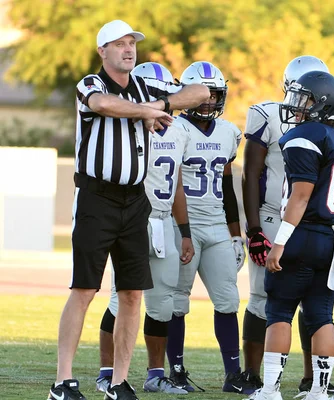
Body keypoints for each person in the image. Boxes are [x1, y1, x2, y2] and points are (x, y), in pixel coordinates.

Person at [48, 20, 208, 400]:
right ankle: (62, 381)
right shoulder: (91, 83)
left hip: (136, 200)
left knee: (133, 293)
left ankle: (119, 381)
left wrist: (158, 105)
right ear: (102, 50)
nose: (128, 49)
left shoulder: (145, 86)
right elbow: (102, 105)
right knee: (85, 289)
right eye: (118, 44)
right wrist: (144, 112)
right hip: (96, 198)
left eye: (131, 43)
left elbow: (200, 92)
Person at [251, 70, 334, 400]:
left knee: (280, 311)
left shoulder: (304, 136)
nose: (296, 105)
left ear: (320, 104)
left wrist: (280, 242)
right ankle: (320, 390)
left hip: (303, 233)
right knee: (321, 315)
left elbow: (300, 195)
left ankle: (270, 389)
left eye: (304, 99)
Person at [94, 62, 193, 396]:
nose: (166, 100)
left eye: (168, 95)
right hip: (131, 218)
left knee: (162, 304)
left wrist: (185, 231)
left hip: (164, 220)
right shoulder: (126, 125)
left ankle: (155, 373)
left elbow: (177, 182)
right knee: (119, 301)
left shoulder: (180, 130)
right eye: (160, 94)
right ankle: (107, 373)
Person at [241, 55, 333, 393]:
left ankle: (312, 378)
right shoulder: (269, 115)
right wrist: (253, 229)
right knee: (261, 298)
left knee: (315, 304)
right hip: (272, 215)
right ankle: (252, 374)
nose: (302, 101)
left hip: (312, 221)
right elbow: (251, 173)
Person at [165, 61, 250, 394]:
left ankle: (233, 374)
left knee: (229, 301)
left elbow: (228, 187)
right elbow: (172, 184)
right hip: (182, 225)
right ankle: (176, 370)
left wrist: (235, 233)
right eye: (200, 94)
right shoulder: (174, 128)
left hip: (217, 225)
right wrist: (184, 232)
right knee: (176, 302)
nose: (206, 101)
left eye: (213, 94)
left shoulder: (229, 132)